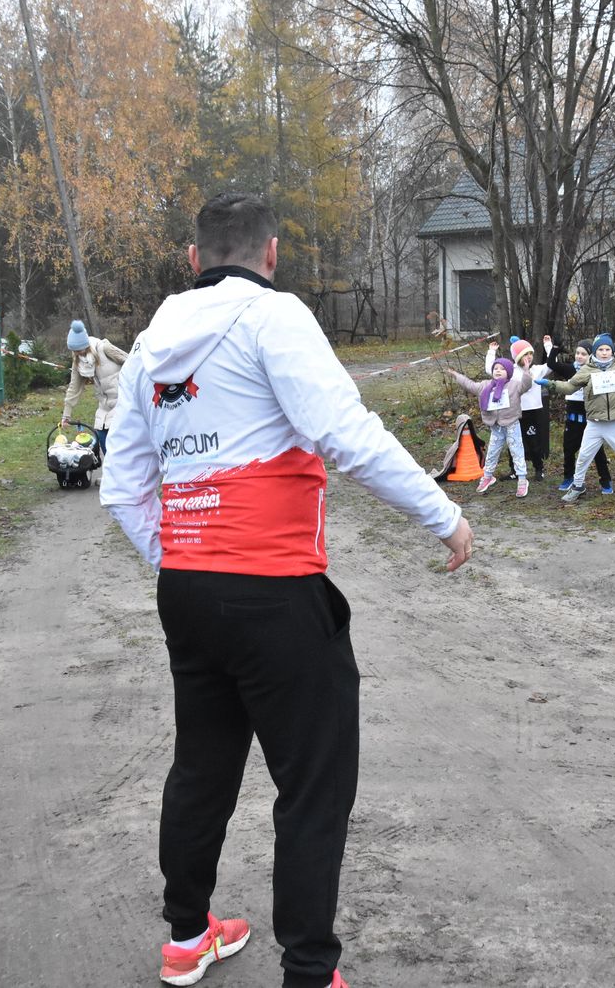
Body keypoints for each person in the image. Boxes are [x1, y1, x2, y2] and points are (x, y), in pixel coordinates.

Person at [100, 193, 471, 988]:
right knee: (314, 784)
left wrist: (182, 555)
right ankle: (309, 971)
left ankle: (186, 935)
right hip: (273, 589)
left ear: (194, 259)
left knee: (201, 766)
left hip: (188, 589)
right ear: (270, 254)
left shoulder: (146, 349)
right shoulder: (275, 316)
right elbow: (348, 434)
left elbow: (120, 487)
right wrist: (444, 516)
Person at [538, 333, 615, 504]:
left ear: (612, 351)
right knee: (583, 456)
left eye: (607, 349)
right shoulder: (587, 370)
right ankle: (578, 486)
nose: (604, 353)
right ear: (595, 351)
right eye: (600, 349)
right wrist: (551, 384)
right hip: (594, 424)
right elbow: (569, 387)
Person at [448, 354, 534, 496]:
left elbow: (527, 385)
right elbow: (469, 385)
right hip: (496, 427)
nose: (498, 371)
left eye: (502, 369)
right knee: (492, 452)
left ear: (509, 372)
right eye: (496, 368)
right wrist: (456, 375)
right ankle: (487, 476)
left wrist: (526, 370)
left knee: (517, 452)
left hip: (512, 424)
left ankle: (522, 480)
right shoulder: (484, 386)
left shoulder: (514, 385)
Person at [543, 336, 612, 493]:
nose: (579, 356)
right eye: (577, 353)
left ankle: (606, 481)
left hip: (590, 419)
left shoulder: (596, 371)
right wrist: (554, 347)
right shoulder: (570, 370)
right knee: (568, 449)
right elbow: (551, 363)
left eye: (583, 354)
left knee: (597, 451)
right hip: (572, 419)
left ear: (591, 356)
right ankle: (569, 477)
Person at [61, 319, 128, 457]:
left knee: (119, 445)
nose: (77, 353)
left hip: (123, 402)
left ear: (85, 345)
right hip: (104, 406)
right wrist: (66, 415)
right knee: (102, 437)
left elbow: (132, 362)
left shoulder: (104, 348)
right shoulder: (78, 361)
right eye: (74, 351)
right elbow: (74, 387)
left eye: (78, 350)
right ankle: (111, 467)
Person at [493, 337, 549, 481]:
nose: (528, 357)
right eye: (525, 354)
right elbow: (492, 371)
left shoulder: (537, 370)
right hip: (515, 412)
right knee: (514, 442)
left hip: (533, 412)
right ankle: (514, 471)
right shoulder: (511, 371)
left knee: (533, 442)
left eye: (530, 353)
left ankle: (539, 469)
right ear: (517, 357)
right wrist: (491, 353)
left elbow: (551, 365)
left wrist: (548, 346)